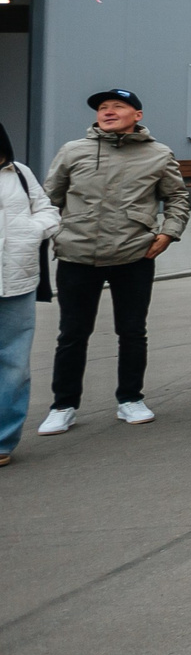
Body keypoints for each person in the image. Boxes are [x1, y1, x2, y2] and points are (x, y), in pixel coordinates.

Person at [36, 87, 188, 435]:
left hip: (134, 254)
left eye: (117, 106)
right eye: (102, 107)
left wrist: (169, 233)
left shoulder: (158, 154)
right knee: (72, 334)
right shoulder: (73, 151)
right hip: (77, 254)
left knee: (132, 331)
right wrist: (55, 234)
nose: (107, 111)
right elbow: (49, 199)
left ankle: (130, 399)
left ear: (137, 115)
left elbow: (177, 197)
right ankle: (63, 405)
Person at [0, 123, 60, 465]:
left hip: (17, 281)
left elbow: (47, 209)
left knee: (14, 365)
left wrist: (33, 232)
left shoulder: (20, 173)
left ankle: (3, 440)